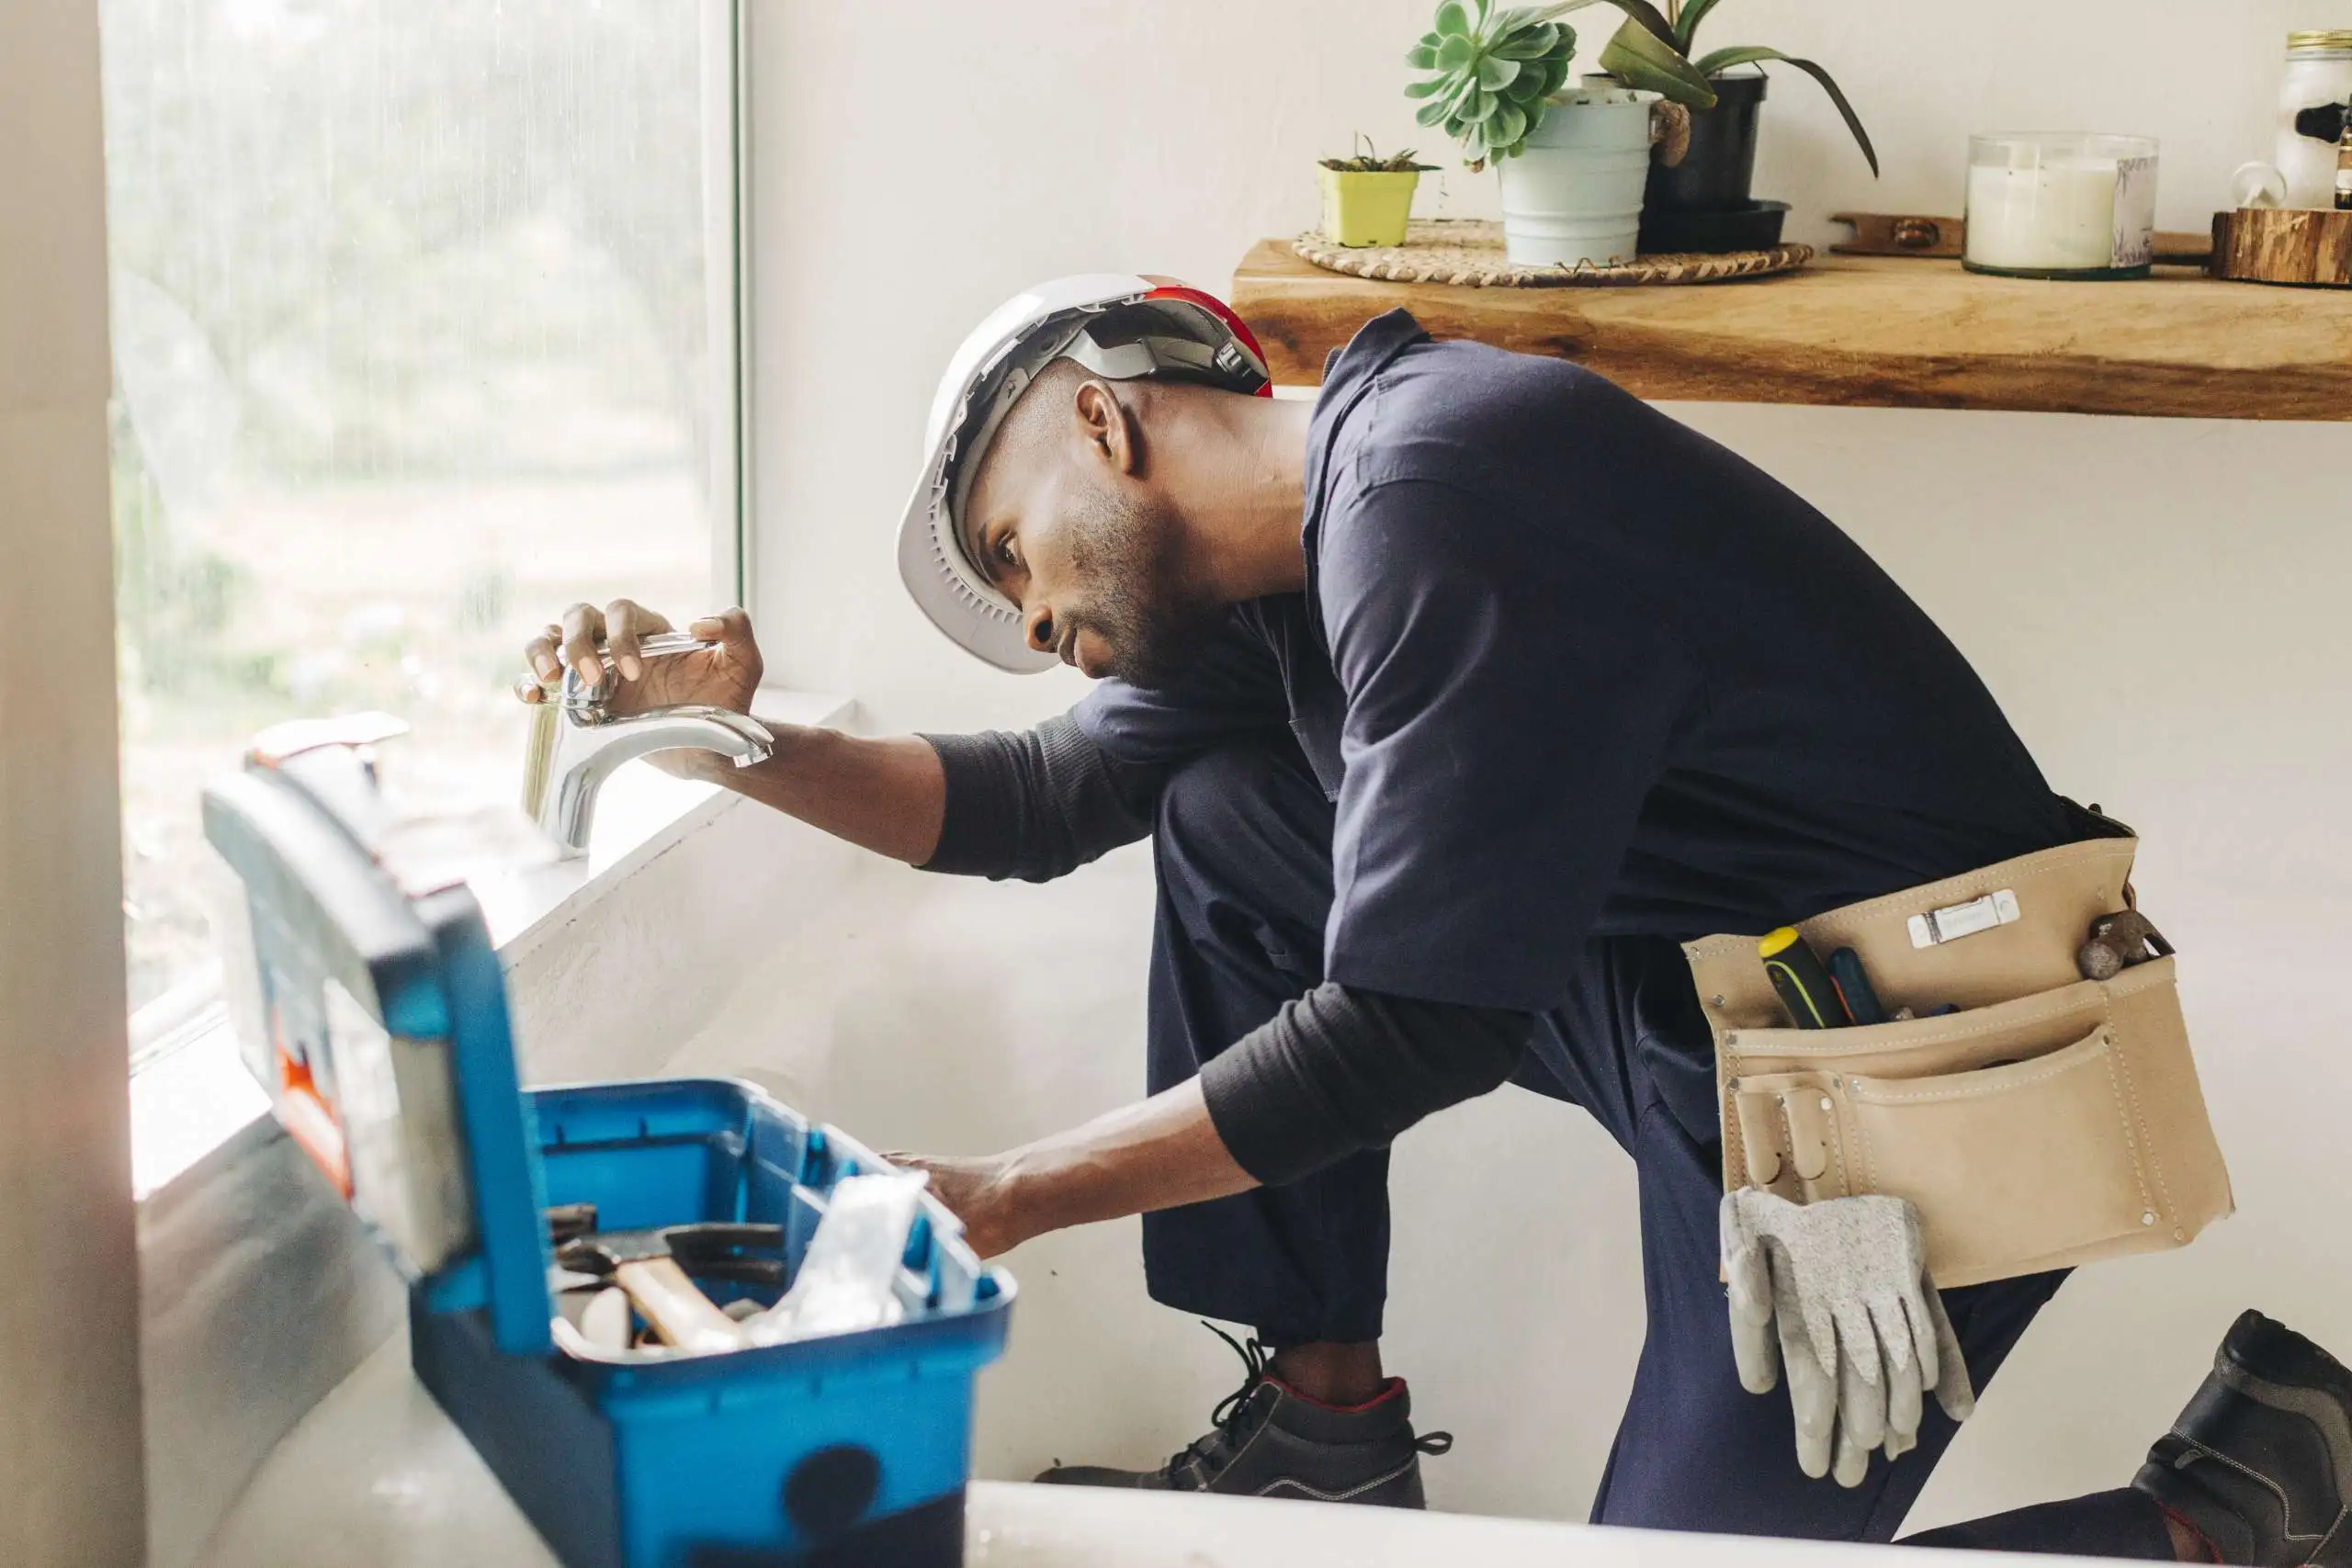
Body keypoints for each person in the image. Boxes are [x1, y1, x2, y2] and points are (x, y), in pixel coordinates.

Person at [521, 278, 2352, 1562]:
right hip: (1717, 1039)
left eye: (1013, 552)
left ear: (1105, 419)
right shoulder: (1286, 583)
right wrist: (717, 734)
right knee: (1234, 819)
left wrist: (1003, 1190)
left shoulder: (1442, 488)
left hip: (1913, 1078)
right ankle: (1327, 1426)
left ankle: (2230, 1504)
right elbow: (1021, 806)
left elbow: (1414, 1022)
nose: (1026, 622)